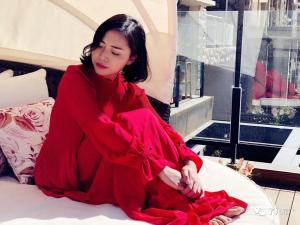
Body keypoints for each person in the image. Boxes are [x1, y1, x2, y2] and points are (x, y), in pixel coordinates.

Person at [35, 14, 247, 225]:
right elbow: (100, 128)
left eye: (115, 51)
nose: (102, 56)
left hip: (104, 157)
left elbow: (163, 129)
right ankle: (182, 202)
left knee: (143, 119)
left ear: (131, 59)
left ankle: (179, 193)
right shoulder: (75, 79)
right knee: (132, 123)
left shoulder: (128, 90)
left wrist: (188, 162)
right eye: (99, 46)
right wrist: (160, 169)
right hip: (67, 170)